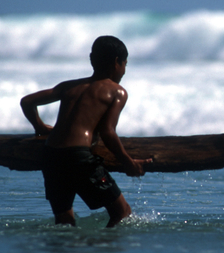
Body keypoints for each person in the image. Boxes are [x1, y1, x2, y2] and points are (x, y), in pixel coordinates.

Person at [20, 35, 151, 227]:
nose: (124, 71)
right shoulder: (117, 91)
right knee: (122, 212)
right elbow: (108, 132)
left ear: (92, 59)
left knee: (64, 220)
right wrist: (128, 162)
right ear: (117, 63)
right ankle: (99, 251)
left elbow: (27, 102)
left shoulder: (69, 86)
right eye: (125, 64)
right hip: (78, 159)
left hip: (51, 156)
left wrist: (39, 126)